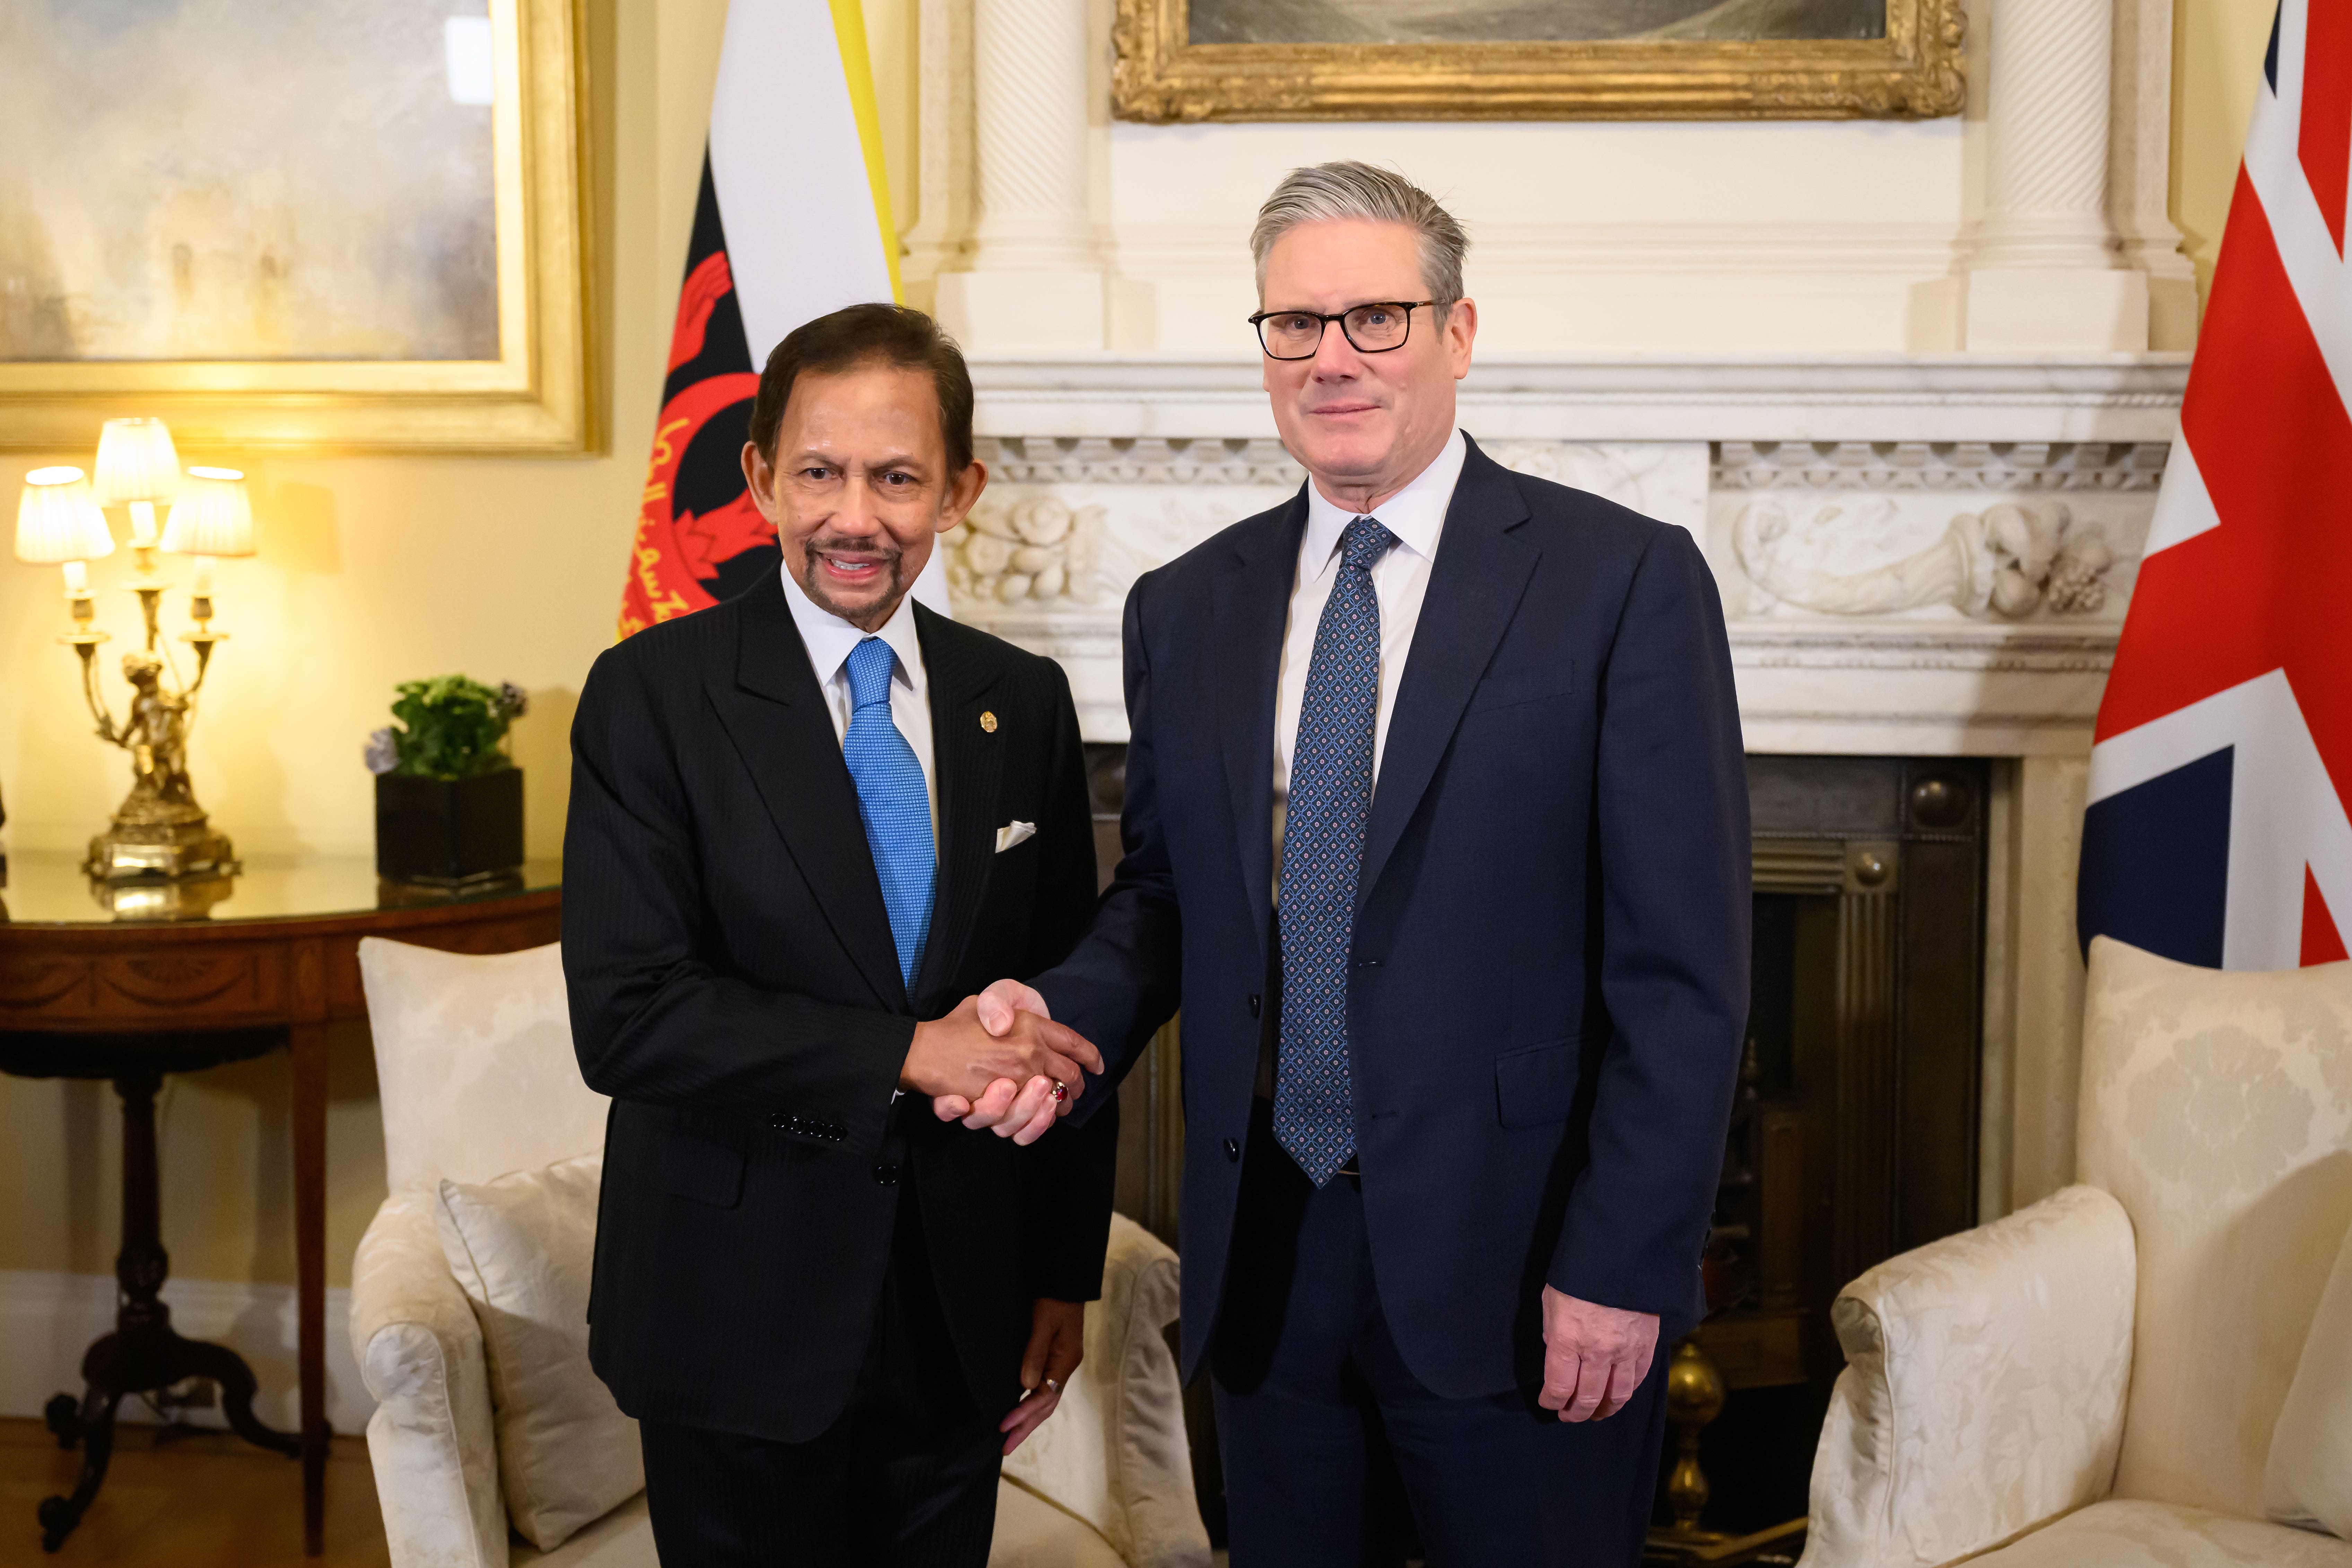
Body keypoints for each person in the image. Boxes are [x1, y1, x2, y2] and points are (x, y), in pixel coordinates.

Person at [947, 163, 1751, 1565]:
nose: (1331, 358)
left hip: (1523, 1271)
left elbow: (1681, 972)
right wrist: (1059, 1018)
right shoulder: (1185, 606)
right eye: (1293, 324)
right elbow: (1163, 892)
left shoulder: (1618, 582)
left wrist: (1620, 1264)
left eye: (1375, 318)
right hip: (1268, 1264)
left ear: (1457, 330)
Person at [563, 301, 1118, 1566]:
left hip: (960, 1303)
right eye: (818, 471)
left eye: (896, 477)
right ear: (759, 477)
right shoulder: (652, 698)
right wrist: (906, 1052)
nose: (853, 516)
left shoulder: (1019, 701)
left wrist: (1058, 1273)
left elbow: (1065, 1003)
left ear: (960, 490)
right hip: (732, 1306)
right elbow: (629, 1016)